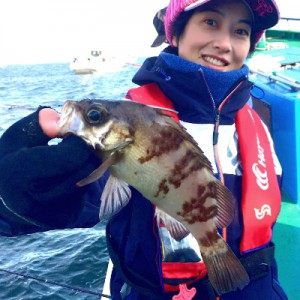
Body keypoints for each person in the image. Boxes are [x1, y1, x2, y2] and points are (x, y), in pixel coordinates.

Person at [0, 0, 288, 299]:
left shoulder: (257, 124)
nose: (224, 43)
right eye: (210, 22)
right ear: (175, 33)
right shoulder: (134, 119)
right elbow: (85, 201)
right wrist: (14, 199)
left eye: (240, 31)